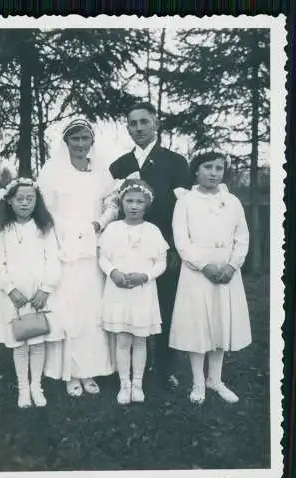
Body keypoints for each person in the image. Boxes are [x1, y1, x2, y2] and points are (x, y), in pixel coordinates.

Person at [109, 102, 189, 388]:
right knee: (130, 307)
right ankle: (126, 369)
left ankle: (165, 368)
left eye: (144, 121)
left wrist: (178, 249)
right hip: (128, 250)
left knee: (165, 307)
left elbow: (184, 210)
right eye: (133, 123)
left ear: (155, 123)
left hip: (163, 249)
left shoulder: (175, 162)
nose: (139, 128)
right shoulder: (119, 165)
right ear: (128, 127)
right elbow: (114, 209)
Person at [38, 118, 117, 397]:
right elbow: (45, 210)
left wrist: (98, 224)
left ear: (91, 142)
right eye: (75, 139)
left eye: (85, 139)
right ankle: (70, 372)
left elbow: (112, 202)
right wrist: (67, 232)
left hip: (92, 246)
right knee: (67, 307)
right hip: (64, 245)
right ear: (67, 142)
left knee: (91, 308)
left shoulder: (101, 172)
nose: (81, 144)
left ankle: (90, 370)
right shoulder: (51, 171)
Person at [169, 148, 252, 404]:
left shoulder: (233, 201)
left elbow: (242, 237)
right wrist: (203, 265)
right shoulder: (185, 201)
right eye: (207, 167)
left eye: (218, 168)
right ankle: (197, 382)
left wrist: (231, 266)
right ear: (196, 170)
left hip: (226, 274)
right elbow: (181, 240)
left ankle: (214, 379)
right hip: (197, 273)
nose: (213, 173)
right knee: (198, 326)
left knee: (220, 324)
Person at [0, 177, 64, 408]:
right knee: (20, 342)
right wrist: (10, 289)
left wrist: (45, 289)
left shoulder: (44, 229)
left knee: (37, 341)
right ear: (10, 201)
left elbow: (53, 261)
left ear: (36, 201)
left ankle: (36, 386)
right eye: (19, 199)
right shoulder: (3, 229)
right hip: (14, 297)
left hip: (37, 296)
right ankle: (23, 387)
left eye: (29, 199)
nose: (24, 203)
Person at [98, 179, 169, 404]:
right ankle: (124, 384)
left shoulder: (153, 230)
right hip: (118, 291)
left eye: (139, 202)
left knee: (140, 340)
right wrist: (114, 272)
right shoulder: (113, 229)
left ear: (147, 204)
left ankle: (138, 383)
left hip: (142, 292)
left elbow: (161, 262)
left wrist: (145, 276)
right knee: (122, 339)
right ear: (122, 202)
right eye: (129, 201)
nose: (134, 206)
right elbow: (103, 257)